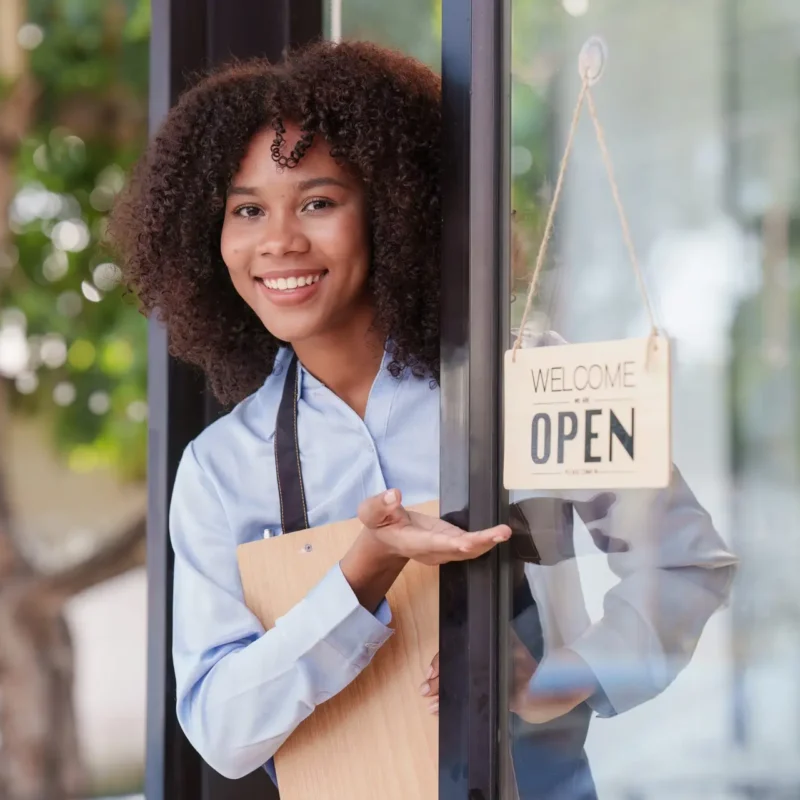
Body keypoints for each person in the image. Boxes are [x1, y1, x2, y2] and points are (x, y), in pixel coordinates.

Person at [109, 40, 736, 797]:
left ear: (395, 207)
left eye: (317, 201)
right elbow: (222, 730)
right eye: (247, 209)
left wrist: (565, 679)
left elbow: (685, 560)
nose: (278, 241)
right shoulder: (221, 469)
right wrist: (363, 570)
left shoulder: (529, 384)